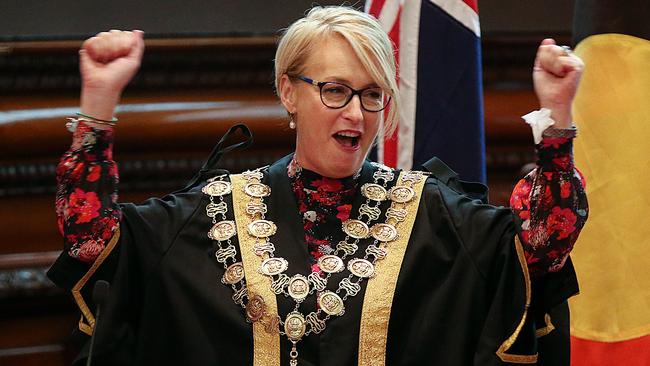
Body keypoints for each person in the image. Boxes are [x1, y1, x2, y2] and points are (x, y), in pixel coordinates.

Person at [48, 6, 588, 366]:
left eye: (372, 95)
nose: (356, 112)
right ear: (289, 91)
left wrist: (557, 119)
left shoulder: (434, 214)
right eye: (335, 90)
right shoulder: (210, 213)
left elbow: (541, 247)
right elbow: (91, 243)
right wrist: (98, 103)